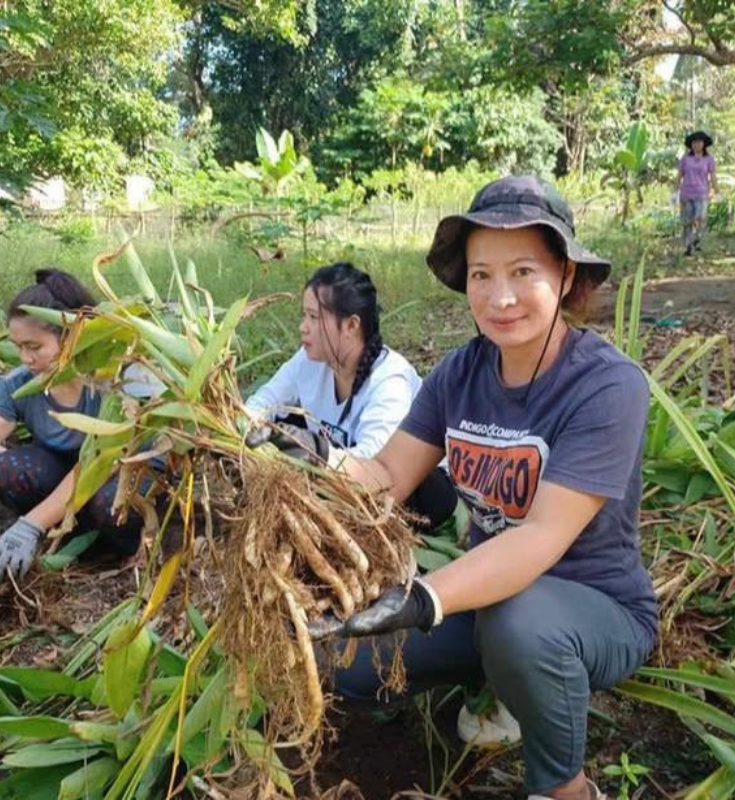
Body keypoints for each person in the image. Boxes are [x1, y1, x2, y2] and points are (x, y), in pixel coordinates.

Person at [259, 176, 658, 800]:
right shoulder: (460, 372)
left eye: (523, 271)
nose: (501, 297)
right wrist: (314, 454)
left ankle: (566, 787)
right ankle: (495, 682)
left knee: (521, 626)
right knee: (343, 664)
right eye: (481, 275)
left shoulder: (607, 385)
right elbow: (387, 477)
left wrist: (425, 598)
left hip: (592, 608)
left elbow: (540, 537)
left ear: (566, 276)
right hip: (483, 599)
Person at [245, 261, 457, 530]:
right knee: (280, 429)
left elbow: (375, 469)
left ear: (351, 325)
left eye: (314, 318)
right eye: (304, 316)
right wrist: (246, 429)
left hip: (409, 489)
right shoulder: (308, 361)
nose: (303, 327)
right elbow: (263, 403)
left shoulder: (390, 380)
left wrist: (313, 450)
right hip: (335, 469)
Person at [0, 269, 146, 583]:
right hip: (66, 477)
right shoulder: (20, 384)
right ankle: (67, 535)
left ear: (71, 337)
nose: (25, 358)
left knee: (108, 504)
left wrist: (30, 524)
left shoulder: (114, 384)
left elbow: (97, 465)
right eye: (18, 346)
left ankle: (135, 545)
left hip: (120, 473)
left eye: (34, 347)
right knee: (8, 468)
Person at [676, 130, 718, 256]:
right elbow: (679, 174)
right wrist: (675, 190)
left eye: (699, 142)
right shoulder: (685, 159)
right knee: (687, 221)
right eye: (694, 142)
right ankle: (688, 245)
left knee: (700, 218)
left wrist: (717, 190)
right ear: (691, 144)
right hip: (687, 193)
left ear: (704, 144)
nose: (697, 145)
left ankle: (697, 239)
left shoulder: (709, 159)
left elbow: (713, 176)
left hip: (701, 193)